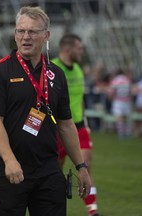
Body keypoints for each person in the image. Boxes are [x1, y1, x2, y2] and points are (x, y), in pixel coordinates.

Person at [0, 6, 91, 216]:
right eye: (21, 31)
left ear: (46, 36)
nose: (26, 37)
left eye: (32, 32)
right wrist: (9, 160)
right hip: (10, 170)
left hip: (48, 171)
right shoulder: (0, 70)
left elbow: (66, 125)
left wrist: (81, 166)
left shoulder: (56, 74)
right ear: (15, 35)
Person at [52, 33, 99, 216]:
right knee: (54, 172)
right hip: (57, 129)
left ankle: (93, 211)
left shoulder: (78, 70)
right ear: (68, 49)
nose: (81, 51)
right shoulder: (52, 67)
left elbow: (80, 101)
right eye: (79, 48)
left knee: (85, 166)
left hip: (78, 127)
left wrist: (85, 123)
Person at [107, 68, 133, 139]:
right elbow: (131, 91)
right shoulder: (127, 80)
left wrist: (111, 98)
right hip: (126, 101)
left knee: (119, 118)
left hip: (118, 101)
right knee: (126, 118)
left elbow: (111, 92)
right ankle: (127, 133)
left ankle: (121, 134)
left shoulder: (115, 80)